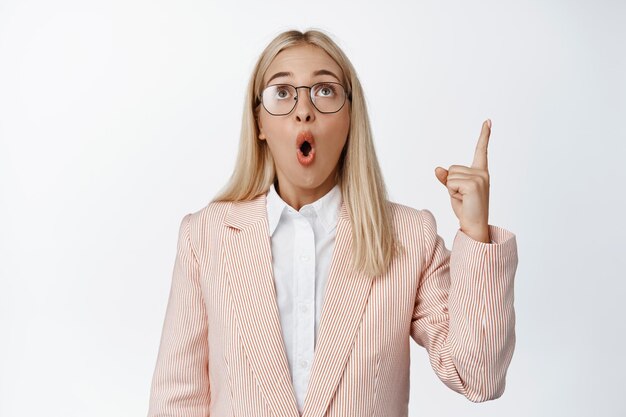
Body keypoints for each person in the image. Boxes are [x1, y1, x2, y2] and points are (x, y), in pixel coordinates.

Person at [146, 28, 518, 417]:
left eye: (324, 91)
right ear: (259, 123)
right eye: (282, 93)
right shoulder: (205, 235)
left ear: (349, 117)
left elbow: (479, 376)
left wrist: (475, 232)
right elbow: (178, 401)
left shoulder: (409, 236)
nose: (303, 110)